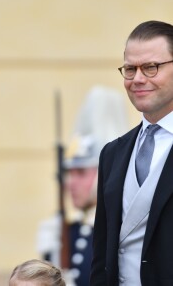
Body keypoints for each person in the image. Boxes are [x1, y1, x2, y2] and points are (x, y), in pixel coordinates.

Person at [90, 20, 173, 286]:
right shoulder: (112, 154)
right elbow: (102, 254)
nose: (137, 79)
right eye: (130, 69)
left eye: (151, 67)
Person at [37, 86, 128, 286]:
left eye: (81, 173)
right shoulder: (70, 231)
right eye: (69, 174)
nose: (70, 183)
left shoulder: (120, 228)